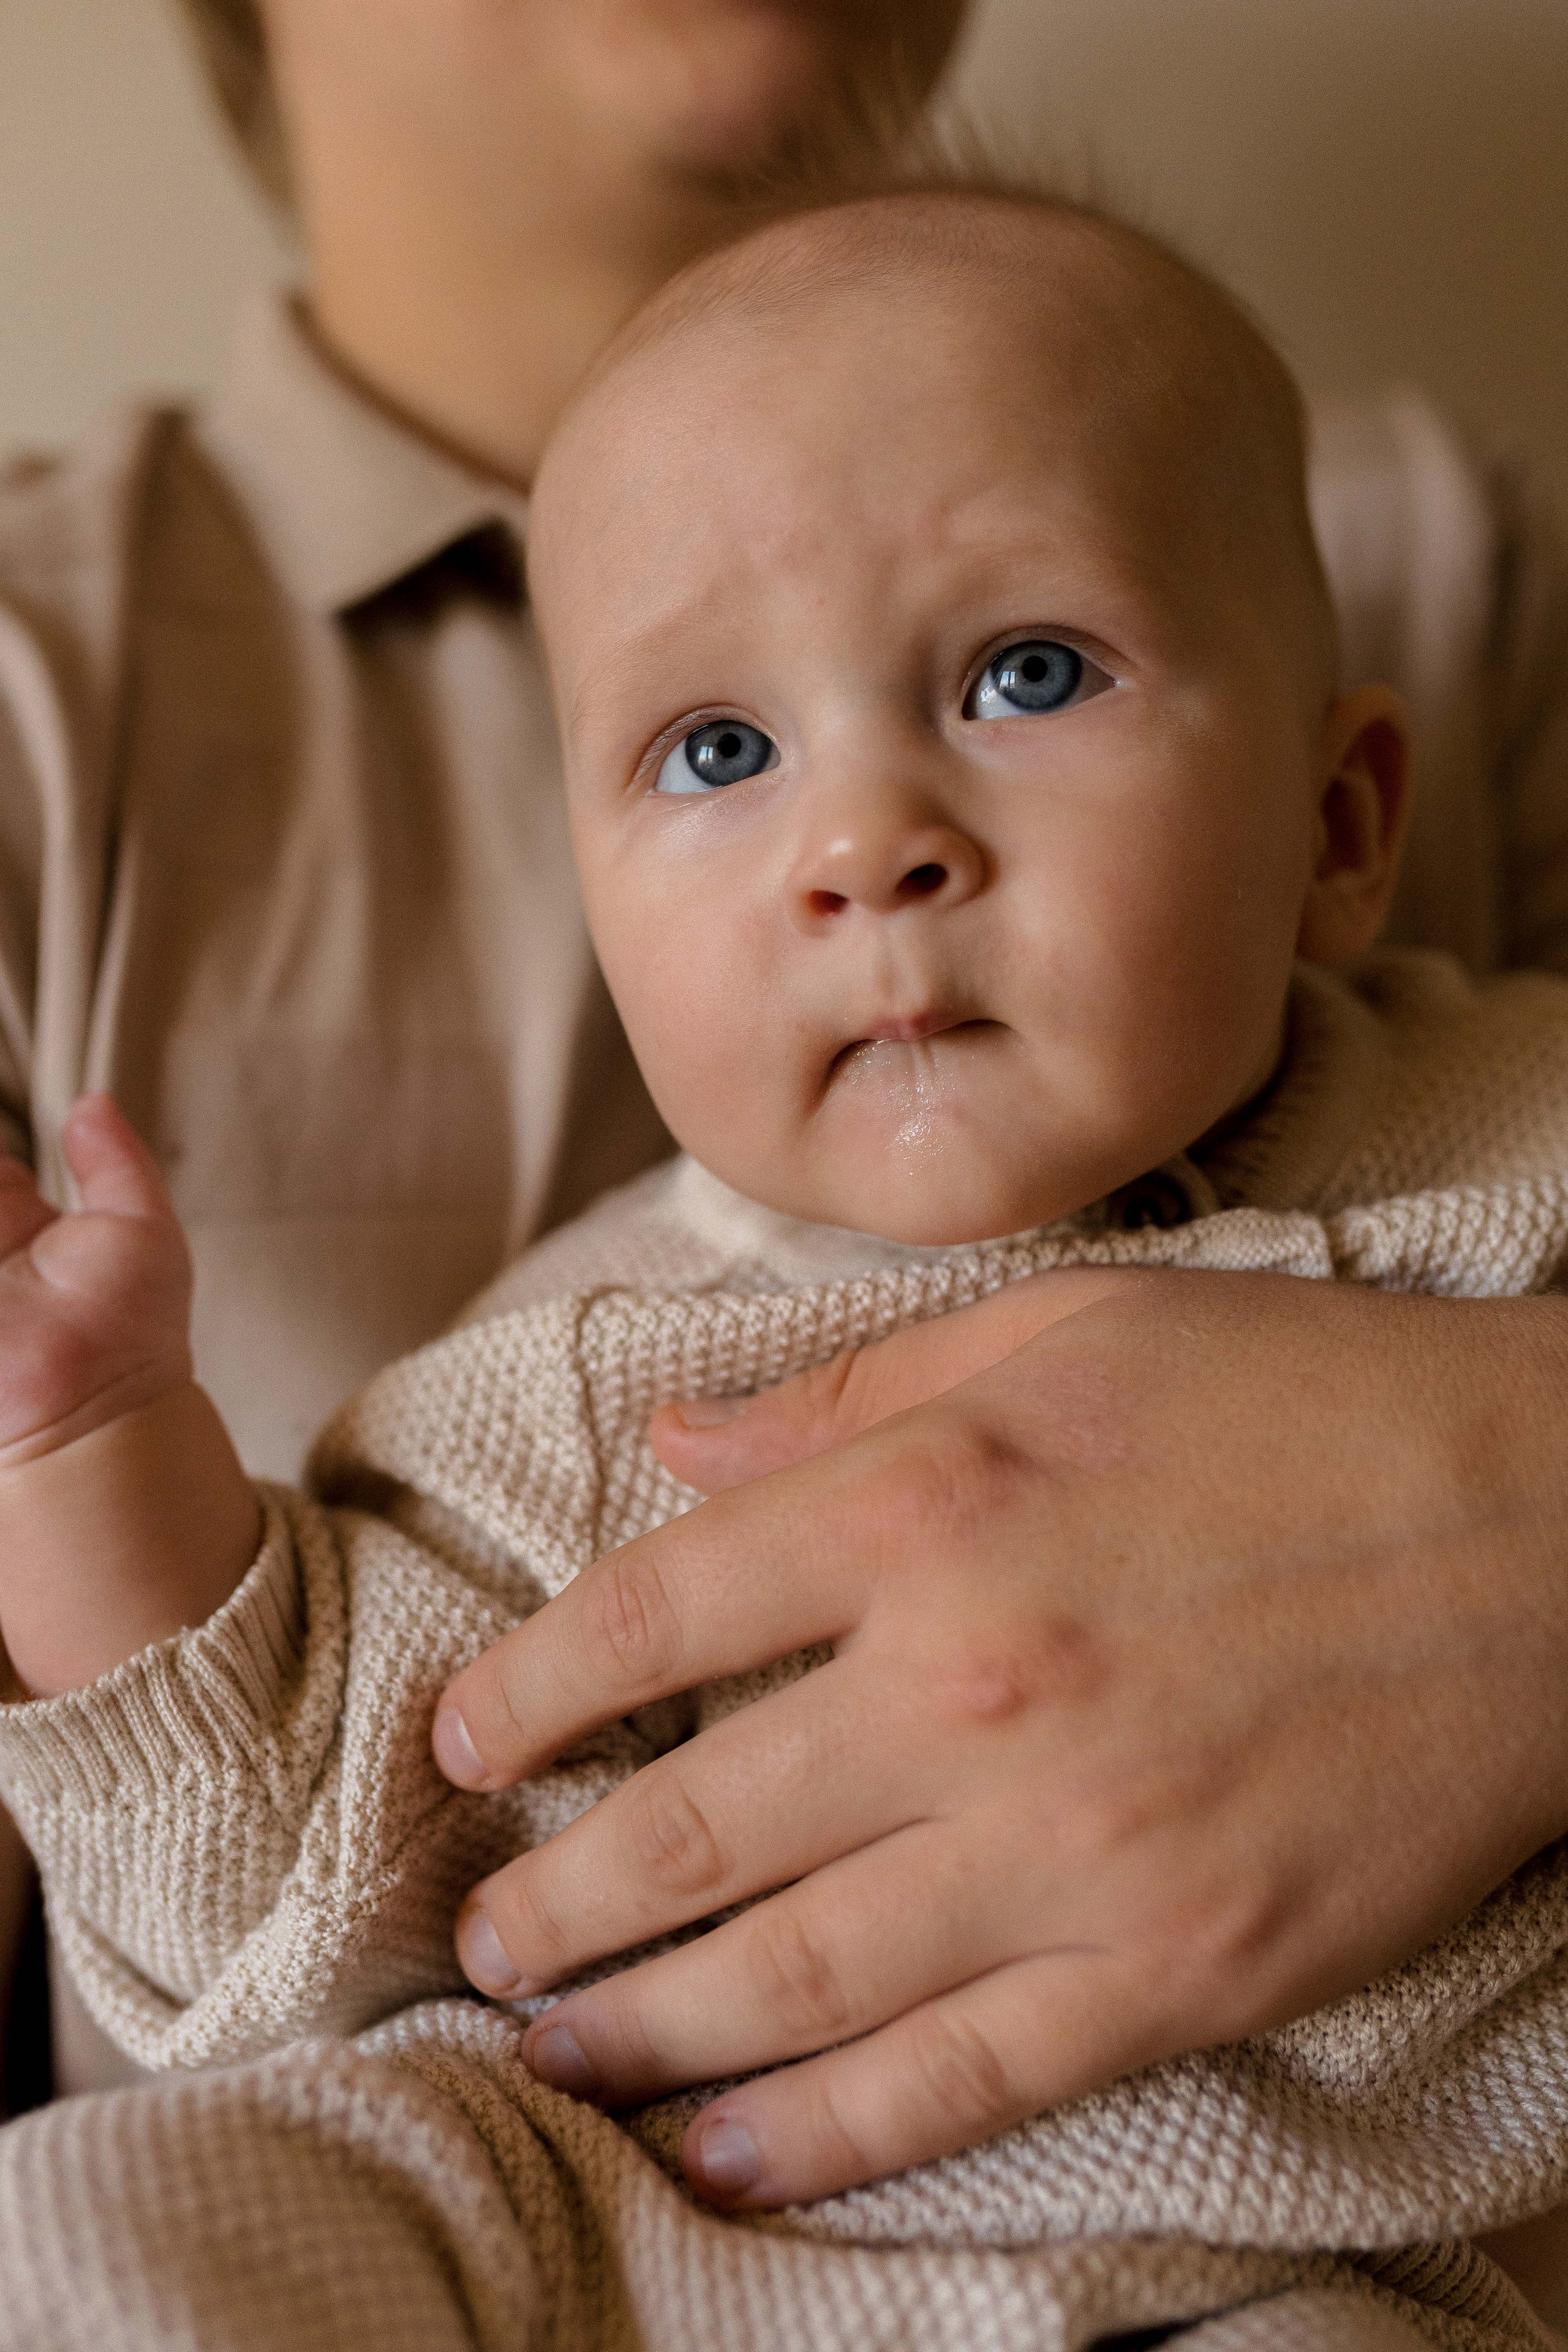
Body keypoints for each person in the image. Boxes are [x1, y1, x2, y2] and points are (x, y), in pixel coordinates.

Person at [0, 0, 1565, 2241]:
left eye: (1030, 674)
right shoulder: (567, 1382)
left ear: (1340, 822)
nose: (866, 846)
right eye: (716, 754)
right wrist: (75, 1470)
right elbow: (278, 1875)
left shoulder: (1493, 977)